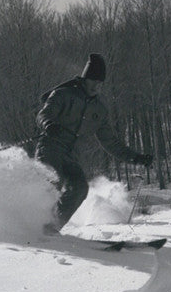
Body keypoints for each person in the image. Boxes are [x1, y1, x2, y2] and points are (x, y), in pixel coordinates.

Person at [35, 53, 152, 234]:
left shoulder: (99, 110)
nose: (97, 86)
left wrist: (135, 158)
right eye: (94, 81)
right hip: (50, 147)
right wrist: (48, 125)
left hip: (71, 155)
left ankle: (51, 228)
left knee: (80, 188)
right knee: (52, 184)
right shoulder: (63, 95)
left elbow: (111, 142)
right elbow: (44, 114)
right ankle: (33, 224)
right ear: (84, 79)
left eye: (101, 83)